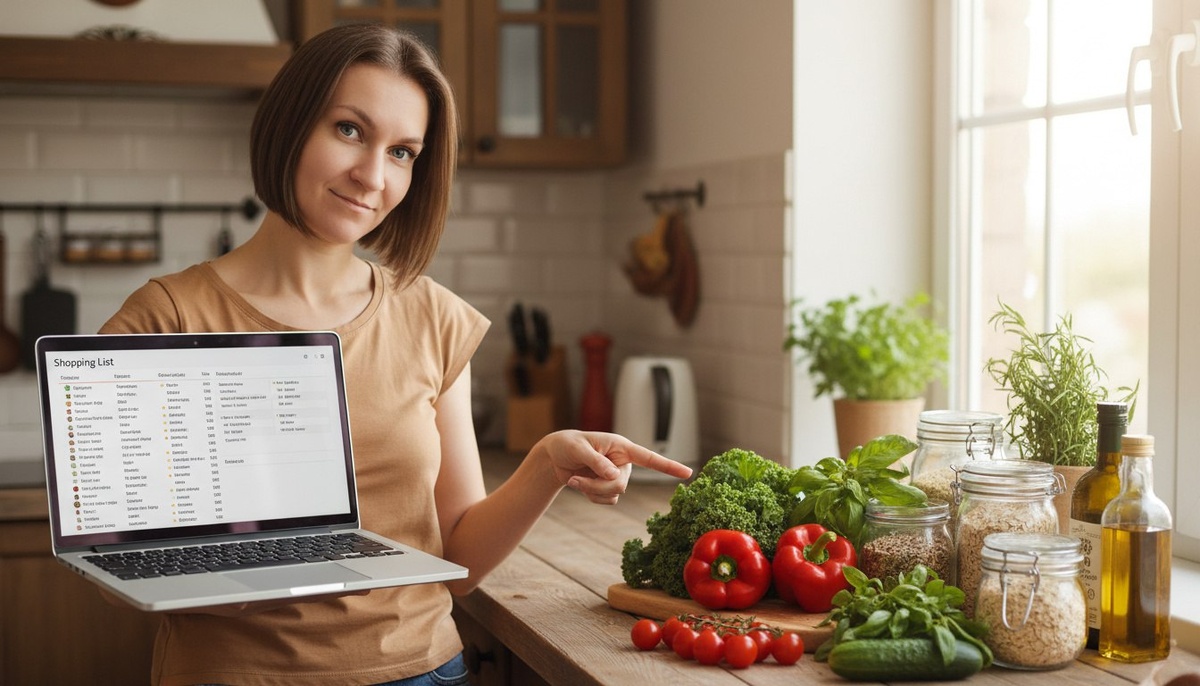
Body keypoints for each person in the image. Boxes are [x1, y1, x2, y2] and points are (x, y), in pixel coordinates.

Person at [99, 23, 693, 686]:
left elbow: (461, 562)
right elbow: (119, 564)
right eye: (349, 129)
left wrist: (546, 465)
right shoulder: (167, 319)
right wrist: (222, 569)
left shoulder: (433, 317)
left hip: (423, 672)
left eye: (404, 152)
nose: (372, 175)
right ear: (290, 124)